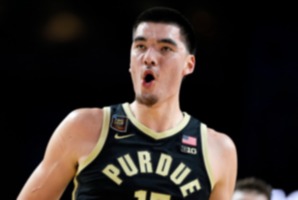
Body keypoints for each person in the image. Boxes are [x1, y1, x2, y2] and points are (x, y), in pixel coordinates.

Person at [17, 6, 237, 200]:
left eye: (165, 48)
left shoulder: (217, 149)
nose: (149, 57)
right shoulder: (84, 127)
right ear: (131, 60)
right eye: (140, 46)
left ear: (189, 65)